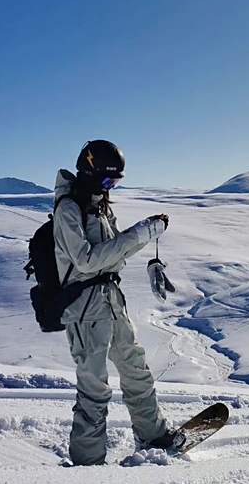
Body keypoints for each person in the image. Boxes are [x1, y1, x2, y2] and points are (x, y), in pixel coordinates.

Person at [53, 138, 185, 465]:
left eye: (116, 182)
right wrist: (139, 234)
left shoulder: (98, 205)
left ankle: (152, 435)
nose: (111, 187)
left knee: (136, 370)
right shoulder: (68, 208)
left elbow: (113, 255)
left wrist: (148, 249)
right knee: (94, 389)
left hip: (111, 302)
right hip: (85, 311)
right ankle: (87, 462)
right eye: (109, 180)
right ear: (90, 170)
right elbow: (85, 261)